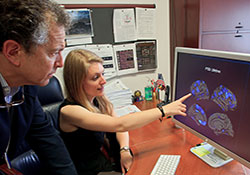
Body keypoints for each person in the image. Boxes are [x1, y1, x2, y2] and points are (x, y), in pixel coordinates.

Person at [59, 49, 191, 175]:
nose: (104, 81)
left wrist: (124, 149)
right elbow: (119, 124)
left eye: (102, 74)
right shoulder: (70, 111)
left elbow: (120, 129)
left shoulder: (98, 99)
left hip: (103, 163)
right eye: (95, 77)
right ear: (77, 82)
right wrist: (163, 110)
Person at [0, 0, 78, 174]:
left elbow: (49, 142)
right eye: (53, 52)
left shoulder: (26, 87)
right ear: (13, 52)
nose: (61, 62)